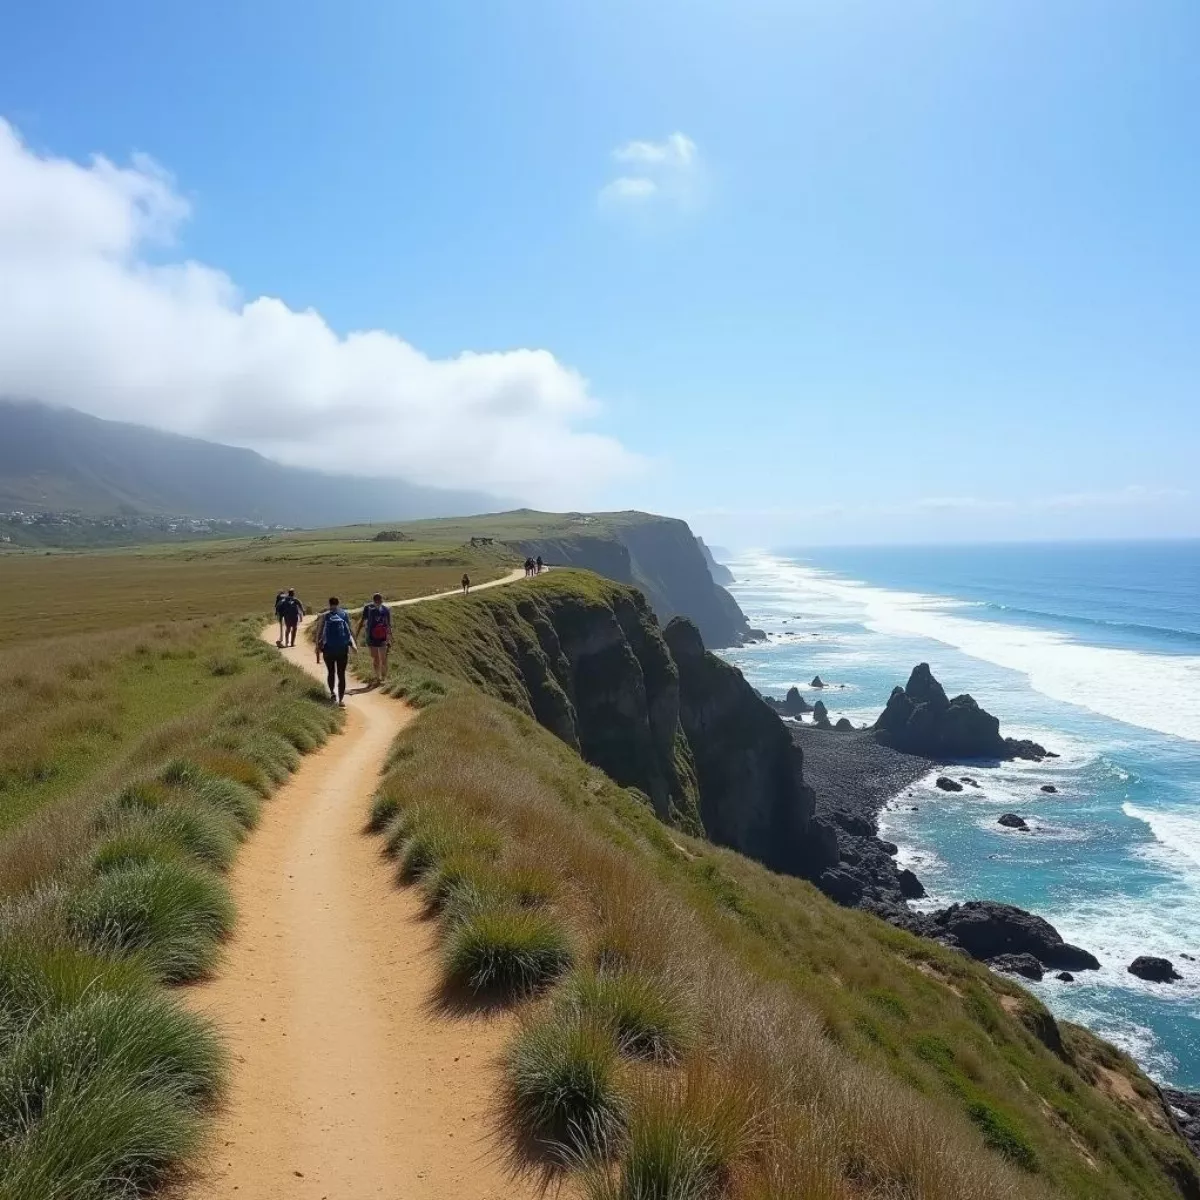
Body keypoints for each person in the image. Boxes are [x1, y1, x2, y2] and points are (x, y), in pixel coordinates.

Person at [314, 596, 355, 706]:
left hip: (328, 650)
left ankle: (332, 693)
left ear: (329, 604)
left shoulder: (324, 616)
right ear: (338, 603)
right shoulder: (344, 614)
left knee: (331, 672)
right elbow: (349, 631)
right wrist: (353, 645)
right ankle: (341, 700)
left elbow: (319, 632)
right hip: (342, 649)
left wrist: (317, 647)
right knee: (341, 674)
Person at [355, 592, 392, 687]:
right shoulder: (368, 608)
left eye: (379, 601)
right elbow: (362, 621)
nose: (378, 603)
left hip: (382, 637)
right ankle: (378, 677)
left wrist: (389, 638)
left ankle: (383, 677)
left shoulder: (385, 609)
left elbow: (388, 625)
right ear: (375, 600)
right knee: (376, 658)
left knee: (383, 659)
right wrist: (357, 634)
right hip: (371, 637)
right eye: (377, 601)